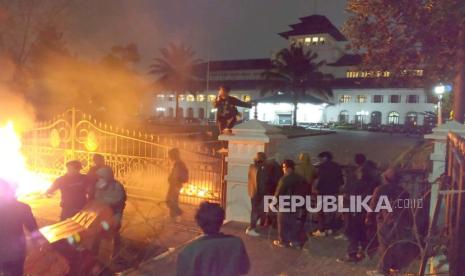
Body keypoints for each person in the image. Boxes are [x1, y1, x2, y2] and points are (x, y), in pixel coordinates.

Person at [366, 168, 418, 276]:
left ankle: (383, 271)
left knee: (384, 245)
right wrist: (410, 223)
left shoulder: (380, 189)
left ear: (386, 179)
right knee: (396, 245)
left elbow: (373, 206)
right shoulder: (403, 191)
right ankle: (396, 268)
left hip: (385, 222)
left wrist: (368, 218)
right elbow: (407, 210)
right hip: (400, 222)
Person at [176, 202, 250, 276]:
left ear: (198, 223)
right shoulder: (236, 243)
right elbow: (244, 269)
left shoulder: (188, 251)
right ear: (221, 221)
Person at [338, 154, 380, 263]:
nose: (358, 173)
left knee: (354, 233)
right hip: (369, 210)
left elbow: (352, 196)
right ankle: (365, 253)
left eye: (360, 172)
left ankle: (352, 255)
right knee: (364, 233)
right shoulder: (376, 183)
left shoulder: (359, 184)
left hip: (358, 210)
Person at [0, 179, 40, 276]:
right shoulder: (22, 207)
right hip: (15, 252)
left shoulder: (22, 207)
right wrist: (39, 243)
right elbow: (33, 228)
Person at [92, 166, 127, 260]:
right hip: (103, 214)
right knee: (98, 232)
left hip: (115, 213)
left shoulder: (117, 186)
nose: (100, 178)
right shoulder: (99, 185)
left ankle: (116, 253)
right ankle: (95, 253)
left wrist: (103, 201)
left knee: (114, 232)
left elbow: (118, 199)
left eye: (101, 176)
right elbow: (97, 198)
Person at [273, 159, 307, 249]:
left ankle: (283, 241)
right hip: (296, 204)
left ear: (288, 168)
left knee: (282, 223)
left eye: (284, 167)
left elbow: (279, 192)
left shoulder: (285, 178)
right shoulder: (300, 177)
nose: (283, 169)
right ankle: (295, 241)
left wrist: (273, 203)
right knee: (293, 223)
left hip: (285, 204)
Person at [313, 151, 344, 237]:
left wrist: (316, 189)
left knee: (320, 211)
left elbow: (321, 179)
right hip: (333, 191)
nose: (320, 160)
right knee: (331, 211)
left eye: (320, 158)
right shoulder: (337, 166)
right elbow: (341, 181)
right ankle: (330, 228)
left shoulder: (322, 166)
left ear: (325, 158)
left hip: (323, 192)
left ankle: (321, 230)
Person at [246, 152, 277, 236]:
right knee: (256, 211)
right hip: (257, 193)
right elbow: (260, 181)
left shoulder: (255, 167)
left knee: (257, 210)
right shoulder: (258, 168)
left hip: (257, 192)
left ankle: (252, 226)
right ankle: (252, 228)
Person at [166, 148, 189, 220]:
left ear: (173, 155)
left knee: (169, 200)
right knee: (173, 200)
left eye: (170, 155)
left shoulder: (179, 163)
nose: (169, 157)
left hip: (175, 185)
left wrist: (171, 179)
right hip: (175, 185)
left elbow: (176, 175)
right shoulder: (178, 163)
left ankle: (179, 213)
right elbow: (174, 174)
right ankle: (172, 215)